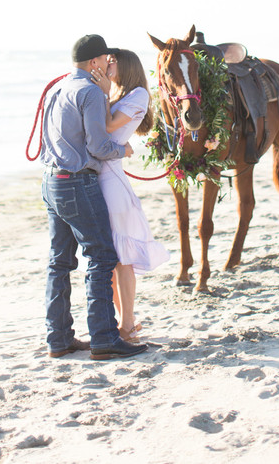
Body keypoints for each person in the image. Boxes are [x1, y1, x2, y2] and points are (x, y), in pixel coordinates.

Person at [40, 34, 148, 361]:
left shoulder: (57, 89)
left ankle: (58, 339)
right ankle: (104, 338)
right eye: (105, 60)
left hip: (50, 182)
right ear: (94, 63)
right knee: (101, 257)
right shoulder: (90, 92)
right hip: (78, 182)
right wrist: (124, 150)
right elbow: (99, 147)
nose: (109, 65)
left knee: (59, 262)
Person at [90, 49, 170, 341]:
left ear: (125, 66)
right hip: (100, 175)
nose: (106, 66)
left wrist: (102, 92)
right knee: (111, 258)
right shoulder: (116, 95)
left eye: (111, 62)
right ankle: (124, 324)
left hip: (111, 180)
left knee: (123, 256)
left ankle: (127, 323)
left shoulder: (137, 95)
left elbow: (108, 126)